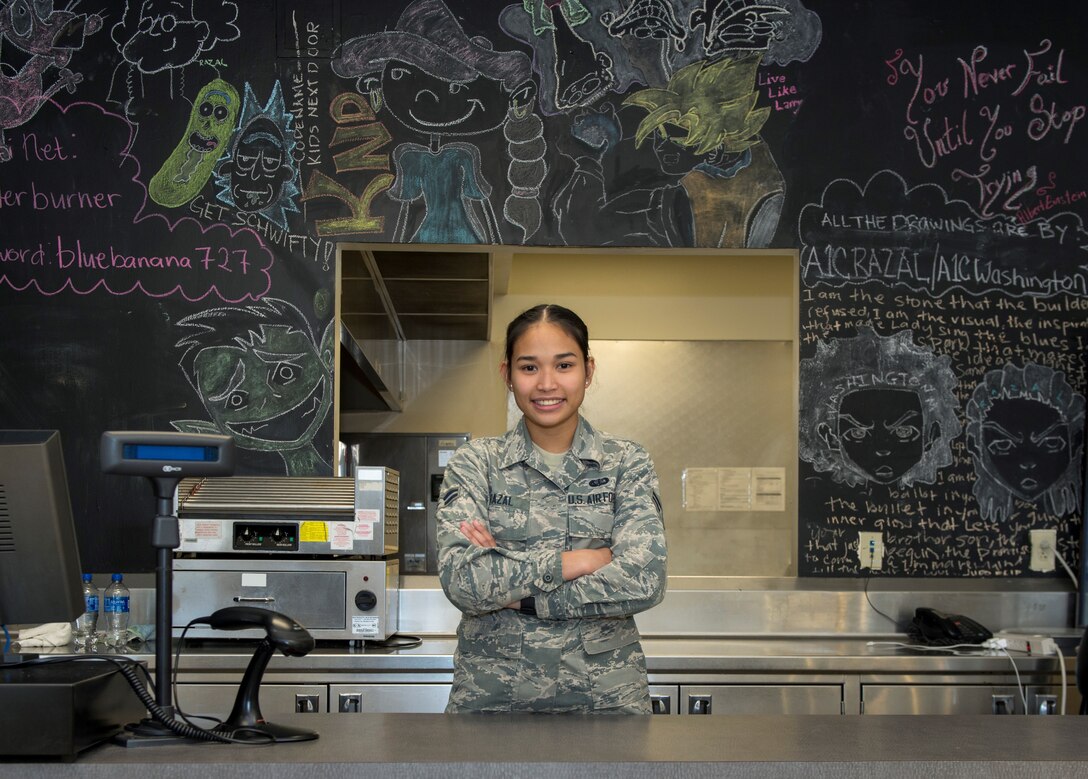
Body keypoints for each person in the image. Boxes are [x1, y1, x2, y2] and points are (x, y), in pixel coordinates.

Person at [436, 304, 668, 714]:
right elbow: (463, 580)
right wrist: (577, 561)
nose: (547, 384)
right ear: (507, 375)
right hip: (492, 700)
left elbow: (644, 578)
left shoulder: (625, 462)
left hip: (607, 702)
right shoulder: (476, 463)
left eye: (564, 365)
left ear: (588, 371)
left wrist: (524, 597)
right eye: (529, 368)